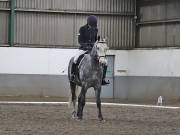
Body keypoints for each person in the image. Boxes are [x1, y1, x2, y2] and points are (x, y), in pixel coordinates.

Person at [71, 15, 109, 85]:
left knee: (105, 62)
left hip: (93, 50)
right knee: (75, 59)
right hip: (83, 49)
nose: (93, 27)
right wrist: (87, 46)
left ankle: (102, 79)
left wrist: (97, 44)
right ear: (88, 23)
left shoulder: (95, 29)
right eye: (92, 25)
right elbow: (80, 41)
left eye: (94, 26)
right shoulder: (82, 29)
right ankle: (73, 76)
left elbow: (95, 40)